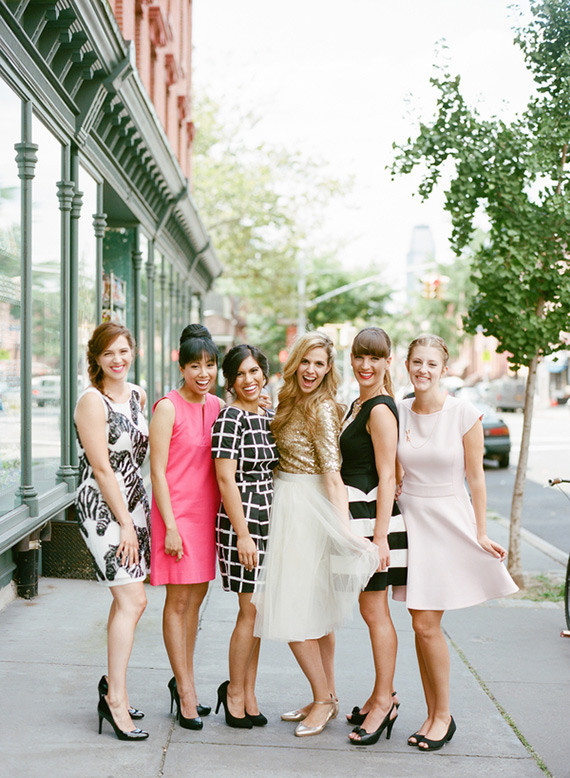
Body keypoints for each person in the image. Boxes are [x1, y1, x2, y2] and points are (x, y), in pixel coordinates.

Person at [252, 332, 378, 738]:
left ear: (328, 369)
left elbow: (332, 473)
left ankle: (323, 700)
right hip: (286, 503)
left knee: (292, 611)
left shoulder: (323, 408)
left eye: (320, 364)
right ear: (295, 363)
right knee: (316, 613)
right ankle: (327, 695)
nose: (311, 370)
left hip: (308, 508)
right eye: (306, 361)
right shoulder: (289, 400)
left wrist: (343, 532)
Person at [397, 334, 518, 752]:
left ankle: (443, 717)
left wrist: (480, 532)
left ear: (444, 368)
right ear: (407, 365)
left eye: (432, 363)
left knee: (428, 625)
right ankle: (431, 714)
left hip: (447, 522)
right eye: (417, 362)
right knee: (419, 624)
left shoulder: (464, 412)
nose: (423, 370)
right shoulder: (397, 410)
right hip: (410, 524)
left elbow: (477, 477)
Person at [74, 322, 150, 741]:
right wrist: (124, 524)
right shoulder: (91, 401)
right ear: (97, 359)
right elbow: (102, 468)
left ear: (132, 352)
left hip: (135, 506)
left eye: (123, 351)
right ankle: (115, 700)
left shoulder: (138, 395)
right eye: (109, 355)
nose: (117, 360)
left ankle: (113, 686)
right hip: (103, 509)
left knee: (126, 599)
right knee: (133, 599)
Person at [149, 324, 222, 730]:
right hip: (175, 517)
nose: (203, 372)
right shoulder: (168, 407)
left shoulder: (215, 405)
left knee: (195, 603)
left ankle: (185, 681)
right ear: (181, 365)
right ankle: (187, 691)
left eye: (209, 364)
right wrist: (171, 526)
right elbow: (157, 471)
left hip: (206, 517)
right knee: (177, 604)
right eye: (195, 364)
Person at [339, 327, 407, 746]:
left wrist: (380, 538)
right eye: (360, 357)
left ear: (387, 362)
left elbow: (387, 474)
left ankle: (384, 702)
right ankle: (381, 695)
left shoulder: (380, 409)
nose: (366, 365)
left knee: (375, 612)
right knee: (370, 611)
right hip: (358, 518)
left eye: (375, 358)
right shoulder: (357, 404)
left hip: (373, 523)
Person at [211, 344, 279, 728]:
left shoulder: (267, 415)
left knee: (259, 612)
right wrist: (243, 534)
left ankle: (248, 692)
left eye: (254, 372)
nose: (249, 380)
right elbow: (225, 479)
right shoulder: (230, 418)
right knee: (249, 610)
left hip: (270, 519)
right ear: (231, 381)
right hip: (243, 521)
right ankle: (234, 692)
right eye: (240, 374)